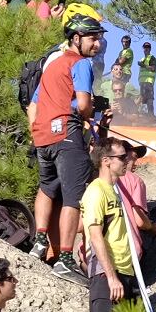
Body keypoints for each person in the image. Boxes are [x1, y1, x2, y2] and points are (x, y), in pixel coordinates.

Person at [27, 16, 104, 280]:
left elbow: (32, 106)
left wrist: (37, 131)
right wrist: (89, 114)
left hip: (42, 137)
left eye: (98, 38)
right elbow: (83, 104)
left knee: (47, 187)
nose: (97, 44)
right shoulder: (80, 63)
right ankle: (66, 259)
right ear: (76, 39)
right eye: (93, 38)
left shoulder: (52, 66)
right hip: (67, 135)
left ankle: (39, 242)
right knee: (73, 197)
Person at [80, 143, 142, 312]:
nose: (127, 161)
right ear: (106, 161)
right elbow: (95, 236)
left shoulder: (114, 190)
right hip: (106, 272)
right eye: (122, 157)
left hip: (126, 270)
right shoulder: (96, 191)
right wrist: (111, 277)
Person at [136, 41, 156, 114]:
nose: (146, 48)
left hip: (148, 81)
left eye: (148, 47)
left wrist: (143, 65)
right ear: (143, 48)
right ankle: (137, 113)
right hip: (142, 82)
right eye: (145, 47)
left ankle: (151, 115)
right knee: (142, 98)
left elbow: (153, 68)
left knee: (149, 98)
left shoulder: (151, 58)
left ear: (150, 49)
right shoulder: (142, 59)